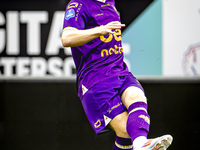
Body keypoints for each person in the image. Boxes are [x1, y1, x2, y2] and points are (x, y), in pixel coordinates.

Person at [61, 0, 173, 149]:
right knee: (125, 132)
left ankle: (141, 144)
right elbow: (66, 38)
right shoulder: (79, 4)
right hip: (95, 79)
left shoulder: (110, 3)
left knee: (137, 97)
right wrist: (99, 30)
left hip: (120, 71)